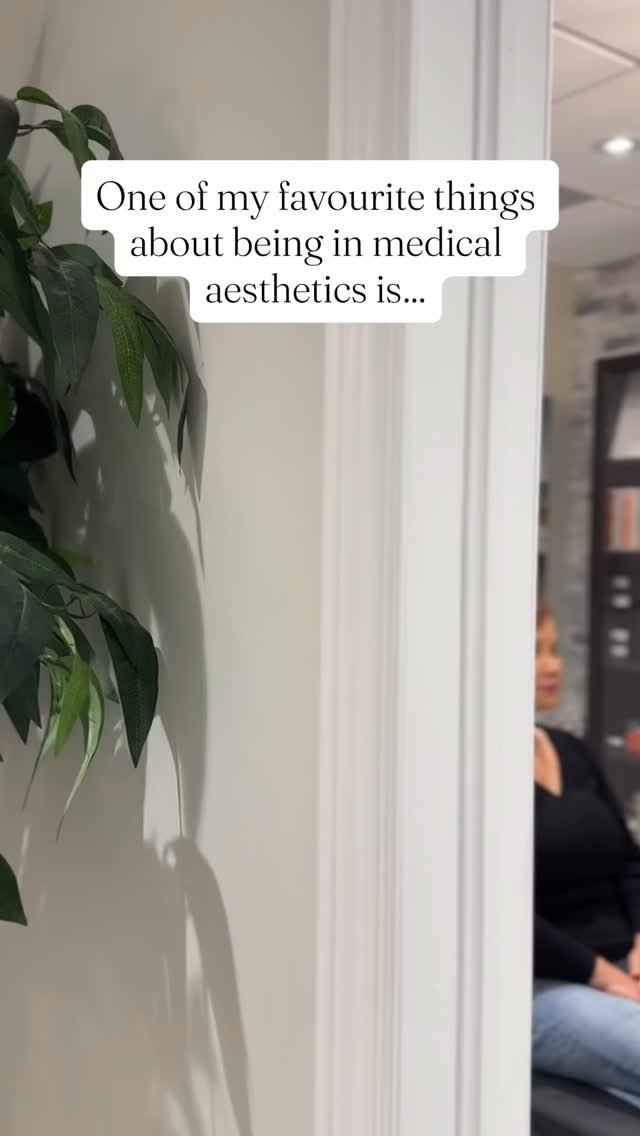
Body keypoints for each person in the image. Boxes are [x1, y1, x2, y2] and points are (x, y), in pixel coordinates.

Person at [533, 601, 640, 1110]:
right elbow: (501, 914)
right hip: (546, 983)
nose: (553, 665)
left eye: (554, 649)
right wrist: (606, 977)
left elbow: (630, 863)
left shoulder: (570, 749)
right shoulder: (470, 770)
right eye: (535, 651)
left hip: (622, 966)